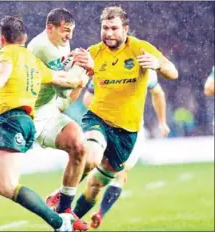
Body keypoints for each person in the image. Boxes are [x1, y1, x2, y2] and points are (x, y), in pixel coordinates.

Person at [0, 16, 88, 232]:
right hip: (25, 122)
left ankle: (59, 222)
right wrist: (82, 77)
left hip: (10, 121)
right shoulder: (33, 60)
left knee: (6, 187)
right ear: (24, 39)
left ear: (1, 38)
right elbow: (63, 80)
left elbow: (2, 71)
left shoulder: (4, 54)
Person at [46, 6, 178, 227]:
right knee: (91, 157)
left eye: (114, 28)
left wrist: (158, 65)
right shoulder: (93, 53)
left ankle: (69, 221)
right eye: (105, 28)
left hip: (127, 132)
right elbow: (76, 82)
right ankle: (63, 205)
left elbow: (173, 72)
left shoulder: (140, 49)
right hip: (98, 119)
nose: (108, 33)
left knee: (96, 186)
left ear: (126, 29)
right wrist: (60, 87)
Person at [82, 70, 170, 228]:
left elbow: (158, 93)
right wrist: (108, 113)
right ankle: (67, 204)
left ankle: (98, 213)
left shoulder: (146, 72)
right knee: (91, 165)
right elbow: (88, 98)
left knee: (119, 173)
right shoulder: (105, 66)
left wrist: (162, 122)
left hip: (131, 132)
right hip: (105, 127)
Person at [27, 8, 92, 223]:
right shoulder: (42, 47)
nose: (69, 36)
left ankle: (64, 210)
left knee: (80, 147)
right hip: (29, 116)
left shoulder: (61, 43)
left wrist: (84, 71)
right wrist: (84, 70)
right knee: (2, 180)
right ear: (50, 28)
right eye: (66, 30)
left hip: (50, 109)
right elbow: (65, 89)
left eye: (71, 31)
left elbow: (66, 92)